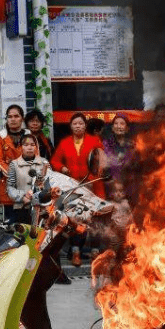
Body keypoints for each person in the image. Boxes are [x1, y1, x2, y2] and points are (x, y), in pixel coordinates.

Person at [51, 112, 105, 266]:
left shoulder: (95, 140)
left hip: (93, 186)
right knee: (77, 219)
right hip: (74, 187)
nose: (78, 126)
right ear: (71, 126)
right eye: (75, 124)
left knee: (95, 218)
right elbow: (54, 160)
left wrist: (95, 173)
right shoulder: (64, 142)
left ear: (85, 125)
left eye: (81, 123)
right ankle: (76, 252)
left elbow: (101, 159)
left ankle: (95, 252)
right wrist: (62, 168)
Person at [0, 104, 29, 223]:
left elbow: (35, 158)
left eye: (16, 116)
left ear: (22, 118)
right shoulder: (0, 136)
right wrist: (15, 175)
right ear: (6, 119)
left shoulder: (29, 135)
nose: (13, 119)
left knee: (27, 225)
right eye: (9, 116)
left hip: (27, 186)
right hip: (8, 187)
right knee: (10, 226)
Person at [7, 133, 50, 218]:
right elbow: (10, 188)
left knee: (40, 231)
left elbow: (51, 183)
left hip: (42, 208)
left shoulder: (44, 163)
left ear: (36, 147)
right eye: (26, 145)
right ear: (20, 147)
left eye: (32, 145)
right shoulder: (14, 164)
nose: (29, 148)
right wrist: (22, 196)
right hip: (22, 207)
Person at [103, 114, 139, 205]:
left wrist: (129, 162)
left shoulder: (133, 145)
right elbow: (104, 164)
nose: (119, 126)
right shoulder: (105, 144)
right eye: (116, 124)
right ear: (112, 127)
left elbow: (137, 165)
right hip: (111, 189)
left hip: (129, 188)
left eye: (122, 124)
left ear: (127, 128)